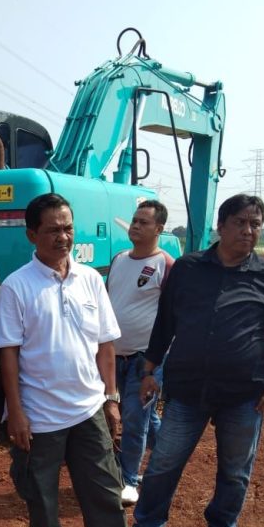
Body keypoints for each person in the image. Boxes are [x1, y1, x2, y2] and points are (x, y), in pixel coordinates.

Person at [130, 194, 264, 527]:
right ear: (221, 225)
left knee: (235, 470)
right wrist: (148, 371)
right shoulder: (188, 268)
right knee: (163, 465)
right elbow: (165, 324)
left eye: (255, 224)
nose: (248, 231)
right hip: (187, 390)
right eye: (240, 222)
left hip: (244, 395)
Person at [0, 193, 153, 527]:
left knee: (105, 495)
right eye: (52, 230)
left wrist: (111, 399)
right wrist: (16, 412)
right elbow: (8, 355)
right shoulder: (16, 287)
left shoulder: (90, 279)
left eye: (68, 228)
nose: (63, 237)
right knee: (43, 503)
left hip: (88, 412)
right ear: (32, 234)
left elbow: (105, 345)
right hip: (40, 418)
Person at [107, 200, 174, 506]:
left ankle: (129, 480)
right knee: (145, 417)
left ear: (159, 229)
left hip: (145, 360)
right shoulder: (119, 259)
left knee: (134, 419)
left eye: (143, 222)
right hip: (114, 357)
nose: (135, 226)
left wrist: (159, 362)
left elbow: (173, 315)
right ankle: (168, 460)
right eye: (134, 220)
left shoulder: (166, 265)